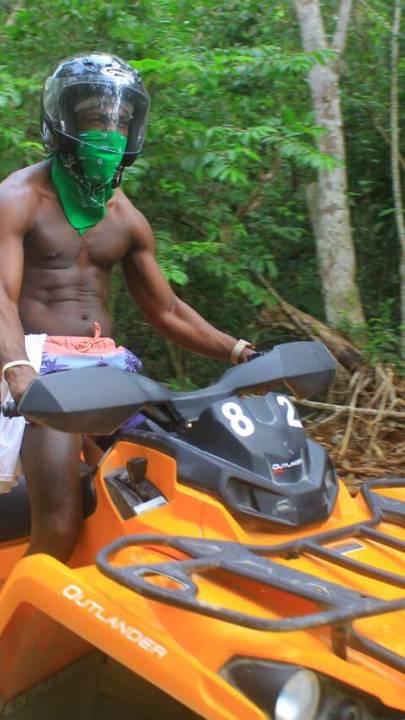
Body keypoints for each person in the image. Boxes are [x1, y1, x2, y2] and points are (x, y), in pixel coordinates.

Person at [0, 53, 256, 562]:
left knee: (177, 481)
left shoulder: (125, 216)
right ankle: (25, 628)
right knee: (59, 513)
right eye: (98, 117)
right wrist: (18, 372)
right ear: (65, 121)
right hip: (35, 370)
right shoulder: (18, 197)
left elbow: (168, 311)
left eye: (121, 120)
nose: (111, 131)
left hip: (108, 370)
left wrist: (240, 352)